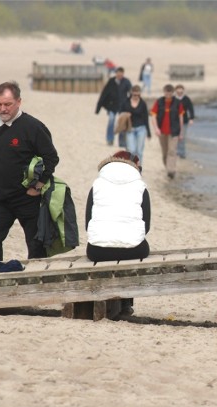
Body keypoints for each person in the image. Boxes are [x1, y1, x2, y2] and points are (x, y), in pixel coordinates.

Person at [0, 81, 59, 261]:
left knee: (36, 244)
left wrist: (38, 185)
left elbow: (51, 158)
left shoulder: (33, 127)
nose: (3, 109)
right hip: (0, 199)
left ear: (19, 102)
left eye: (7, 104)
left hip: (28, 198)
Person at [85, 151, 151, 316]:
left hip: (97, 250)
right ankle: (127, 303)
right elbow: (146, 226)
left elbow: (88, 223)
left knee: (110, 246)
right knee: (137, 245)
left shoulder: (97, 185)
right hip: (133, 249)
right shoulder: (141, 187)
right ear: (135, 167)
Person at [150, 84, 184, 179]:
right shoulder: (159, 102)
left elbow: (181, 118)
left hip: (174, 131)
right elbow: (153, 116)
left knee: (172, 151)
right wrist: (156, 128)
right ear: (164, 92)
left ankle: (171, 171)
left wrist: (181, 132)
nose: (168, 94)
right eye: (166, 92)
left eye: (170, 92)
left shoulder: (178, 103)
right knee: (165, 152)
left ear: (172, 93)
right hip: (162, 132)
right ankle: (167, 167)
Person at [95, 66, 132, 147]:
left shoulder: (126, 82)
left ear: (123, 74)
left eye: (121, 74)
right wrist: (98, 108)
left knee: (122, 123)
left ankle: (122, 142)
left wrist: (129, 104)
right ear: (116, 73)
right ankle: (110, 139)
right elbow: (104, 93)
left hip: (123, 106)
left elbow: (131, 93)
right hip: (112, 105)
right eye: (118, 73)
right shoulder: (111, 81)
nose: (119, 75)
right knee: (111, 121)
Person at [121, 85, 151, 167]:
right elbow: (121, 114)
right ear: (131, 94)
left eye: (138, 95)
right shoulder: (126, 102)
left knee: (139, 151)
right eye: (134, 95)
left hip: (141, 128)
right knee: (131, 150)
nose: (136, 97)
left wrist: (149, 132)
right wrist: (126, 114)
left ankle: (138, 168)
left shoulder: (143, 103)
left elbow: (146, 118)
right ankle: (131, 167)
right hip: (130, 129)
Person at [174, 84, 195, 159]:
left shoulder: (186, 99)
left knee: (182, 137)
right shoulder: (173, 99)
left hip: (184, 121)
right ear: (175, 90)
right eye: (178, 89)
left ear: (183, 90)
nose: (179, 91)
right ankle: (176, 152)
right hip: (174, 121)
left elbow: (191, 108)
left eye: (181, 89)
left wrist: (191, 118)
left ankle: (182, 153)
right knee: (175, 137)